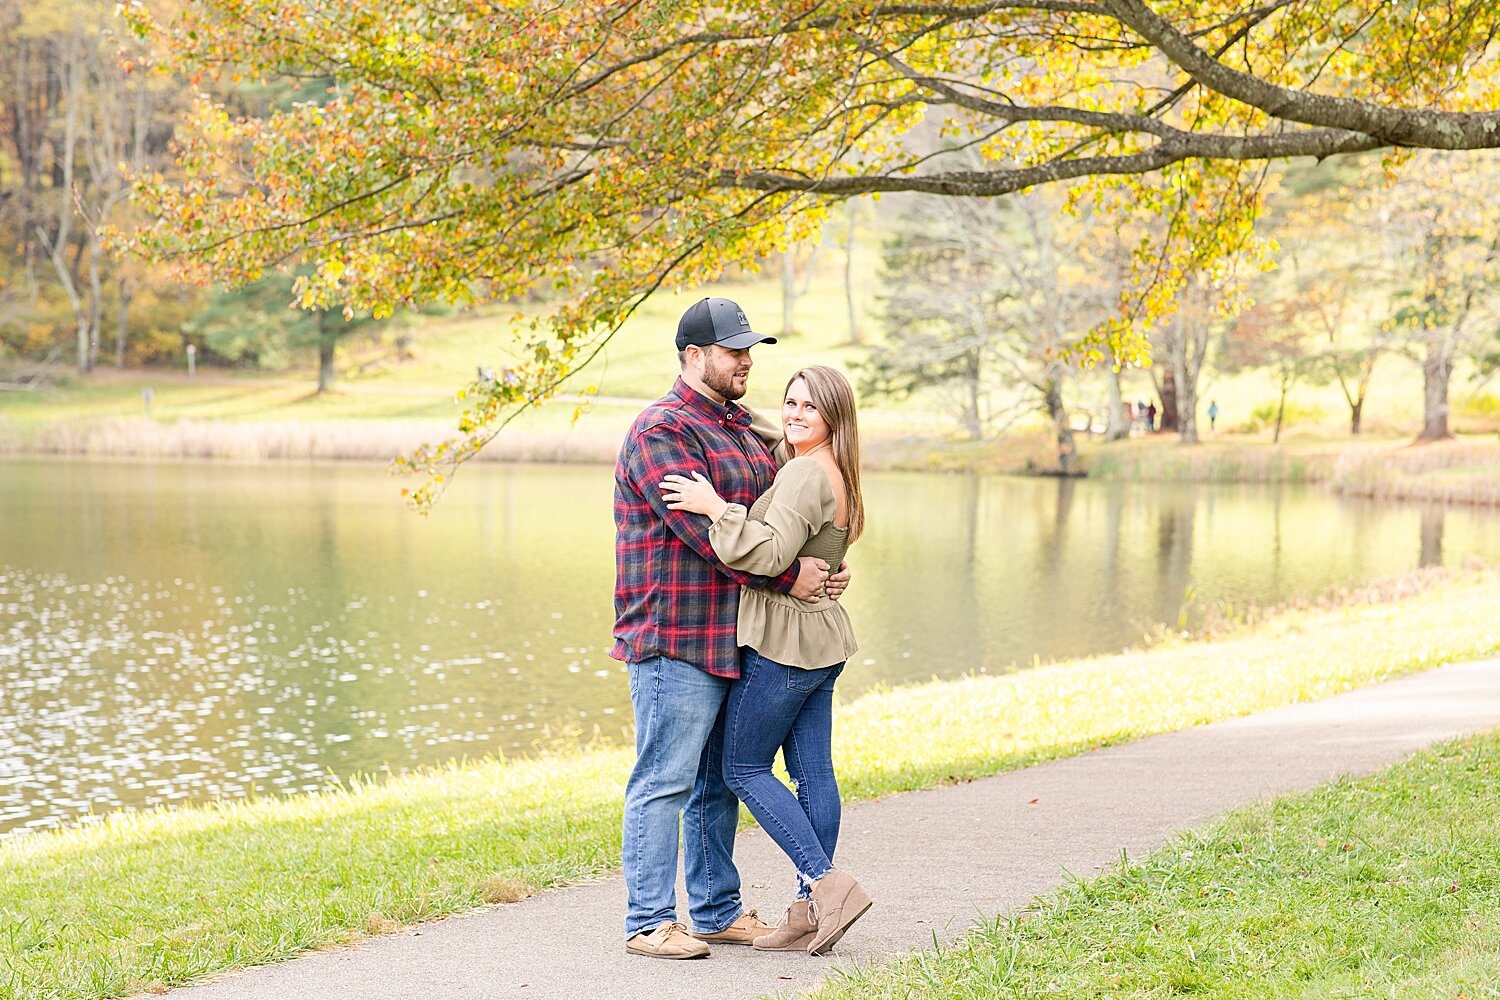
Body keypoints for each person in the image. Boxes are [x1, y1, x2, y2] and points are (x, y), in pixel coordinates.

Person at [612, 297, 848, 960]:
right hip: (673, 636)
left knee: (717, 781)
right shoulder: (663, 430)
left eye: (750, 350)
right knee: (665, 777)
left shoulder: (743, 428)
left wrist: (823, 566)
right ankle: (649, 920)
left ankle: (713, 911)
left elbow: (792, 511)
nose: (747, 361)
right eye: (733, 350)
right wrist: (790, 577)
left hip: (736, 636)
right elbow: (704, 535)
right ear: (694, 356)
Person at [660, 365, 872, 956]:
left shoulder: (804, 472)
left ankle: (828, 886)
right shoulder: (840, 469)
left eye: (810, 406)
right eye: (789, 402)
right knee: (813, 774)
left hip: (784, 645)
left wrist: (712, 505)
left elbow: (768, 553)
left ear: (834, 414)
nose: (795, 413)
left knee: (742, 769)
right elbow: (819, 550)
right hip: (823, 641)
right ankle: (808, 911)